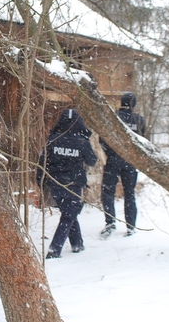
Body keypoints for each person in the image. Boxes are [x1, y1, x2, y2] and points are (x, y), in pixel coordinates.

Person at [36, 109, 98, 259]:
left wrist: (41, 182)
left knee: (69, 213)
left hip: (56, 183)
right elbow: (92, 160)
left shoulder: (53, 139)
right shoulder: (82, 141)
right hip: (74, 183)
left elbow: (42, 162)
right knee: (69, 215)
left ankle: (78, 244)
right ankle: (54, 249)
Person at [100, 92, 146, 238]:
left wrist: (110, 152)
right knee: (130, 193)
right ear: (134, 104)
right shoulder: (139, 120)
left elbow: (103, 139)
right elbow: (144, 142)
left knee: (108, 192)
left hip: (113, 160)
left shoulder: (112, 118)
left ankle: (110, 222)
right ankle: (131, 226)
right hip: (130, 163)